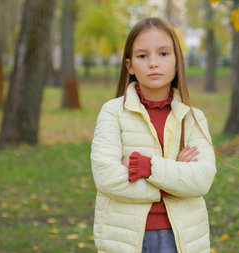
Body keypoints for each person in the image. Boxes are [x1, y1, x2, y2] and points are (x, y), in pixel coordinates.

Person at [90, 17, 216, 253]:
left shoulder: (193, 118)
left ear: (178, 60)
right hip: (127, 240)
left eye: (164, 54)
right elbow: (106, 177)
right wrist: (174, 178)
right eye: (142, 56)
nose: (153, 63)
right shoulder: (113, 112)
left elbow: (202, 179)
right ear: (129, 66)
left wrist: (148, 168)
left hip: (183, 240)